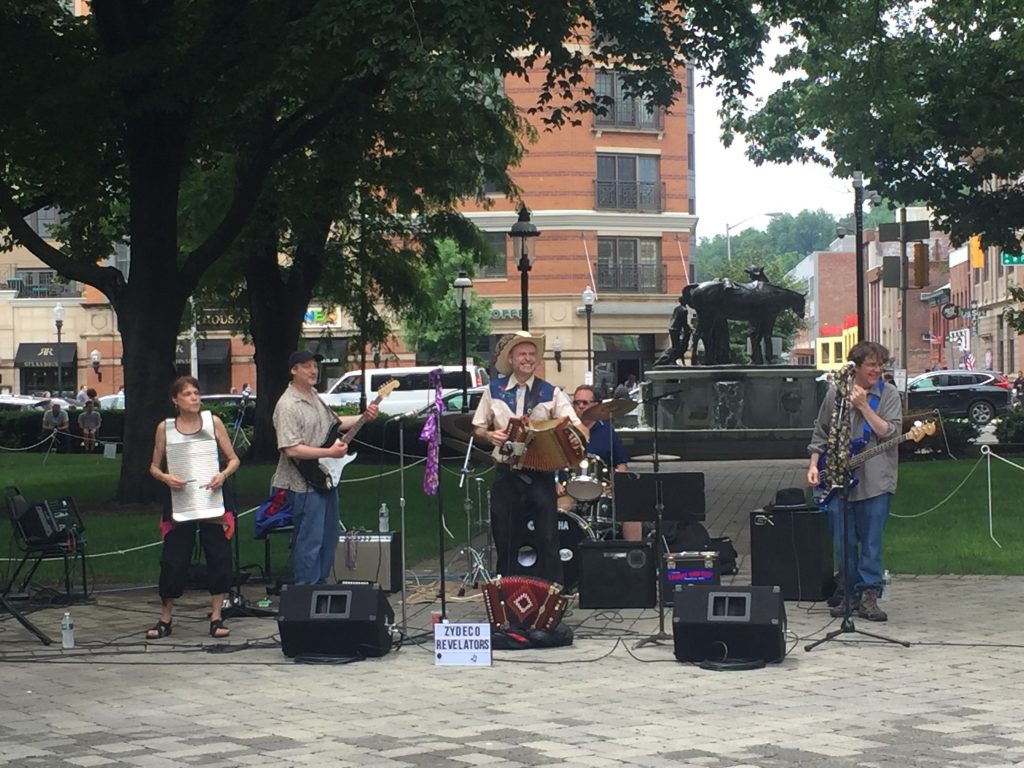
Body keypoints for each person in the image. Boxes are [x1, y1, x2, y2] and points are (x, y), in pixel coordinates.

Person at [472, 331, 586, 584]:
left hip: (541, 476)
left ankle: (550, 597)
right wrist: (491, 436)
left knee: (548, 539)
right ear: (511, 359)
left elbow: (574, 424)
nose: (528, 358)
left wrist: (574, 436)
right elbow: (478, 427)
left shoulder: (550, 392)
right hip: (506, 474)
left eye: (532, 354)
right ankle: (507, 596)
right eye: (522, 353)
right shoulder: (493, 390)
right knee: (505, 537)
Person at [807, 341, 902, 622]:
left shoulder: (889, 394)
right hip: (838, 479)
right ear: (857, 366)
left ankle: (870, 594)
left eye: (880, 365)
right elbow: (821, 432)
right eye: (872, 365)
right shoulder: (836, 393)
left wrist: (863, 406)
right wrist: (814, 464)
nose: (877, 370)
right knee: (843, 542)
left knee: (871, 542)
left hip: (876, 481)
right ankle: (848, 593)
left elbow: (889, 431)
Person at [271, 350, 379, 585]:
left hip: (325, 478)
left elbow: (335, 424)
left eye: (315, 366)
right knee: (310, 541)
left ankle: (320, 589)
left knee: (329, 538)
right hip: (302, 483)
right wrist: (329, 453)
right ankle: (305, 593)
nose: (313, 371)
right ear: (293, 370)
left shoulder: (314, 396)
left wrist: (364, 416)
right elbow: (291, 448)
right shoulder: (287, 405)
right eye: (307, 366)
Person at [147, 376, 240, 639]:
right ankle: (165, 618)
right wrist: (166, 477)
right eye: (187, 394)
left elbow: (233, 459)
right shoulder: (165, 428)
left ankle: (217, 616)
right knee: (173, 561)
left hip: (213, 498)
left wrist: (222, 475)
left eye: (196, 392)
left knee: (219, 557)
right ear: (175, 400)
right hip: (180, 500)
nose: (194, 398)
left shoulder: (213, 422)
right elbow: (153, 466)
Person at [568, 384, 638, 539]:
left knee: (632, 511)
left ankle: (634, 555)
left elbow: (621, 463)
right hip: (570, 490)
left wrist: (618, 483)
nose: (580, 406)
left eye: (585, 403)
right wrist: (557, 483)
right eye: (576, 403)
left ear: (596, 406)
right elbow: (553, 461)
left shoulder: (607, 431)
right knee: (559, 509)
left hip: (603, 489)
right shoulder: (565, 430)